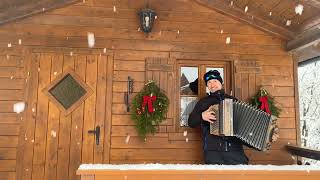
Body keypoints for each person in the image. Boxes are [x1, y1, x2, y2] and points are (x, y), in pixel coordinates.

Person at [188, 70, 249, 165]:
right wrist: (201, 116)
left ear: (221, 83)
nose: (212, 84)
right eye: (209, 82)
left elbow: (245, 124)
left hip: (235, 151)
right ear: (207, 86)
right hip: (213, 152)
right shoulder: (203, 102)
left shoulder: (233, 100)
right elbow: (191, 122)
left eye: (215, 81)